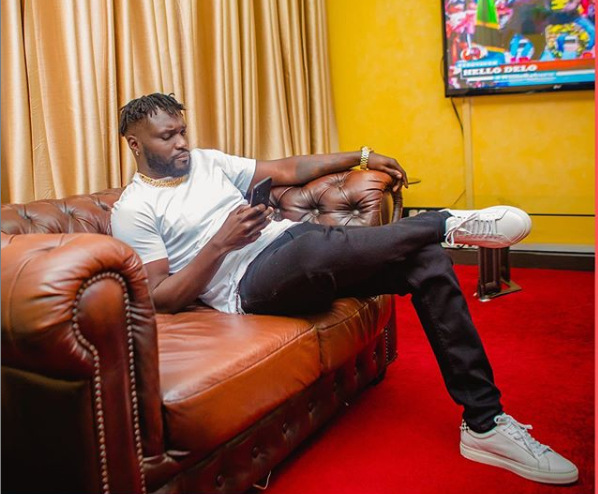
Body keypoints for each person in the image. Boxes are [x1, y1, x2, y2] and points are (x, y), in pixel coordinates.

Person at [111, 93, 578, 485]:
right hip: (248, 285)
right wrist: (221, 242)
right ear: (135, 143)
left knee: (426, 262)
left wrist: (361, 157)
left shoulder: (208, 162)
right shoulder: (135, 209)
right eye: (168, 136)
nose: (182, 143)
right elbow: (160, 298)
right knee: (314, 249)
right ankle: (442, 224)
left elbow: (291, 168)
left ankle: (484, 423)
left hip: (293, 247)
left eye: (182, 131)